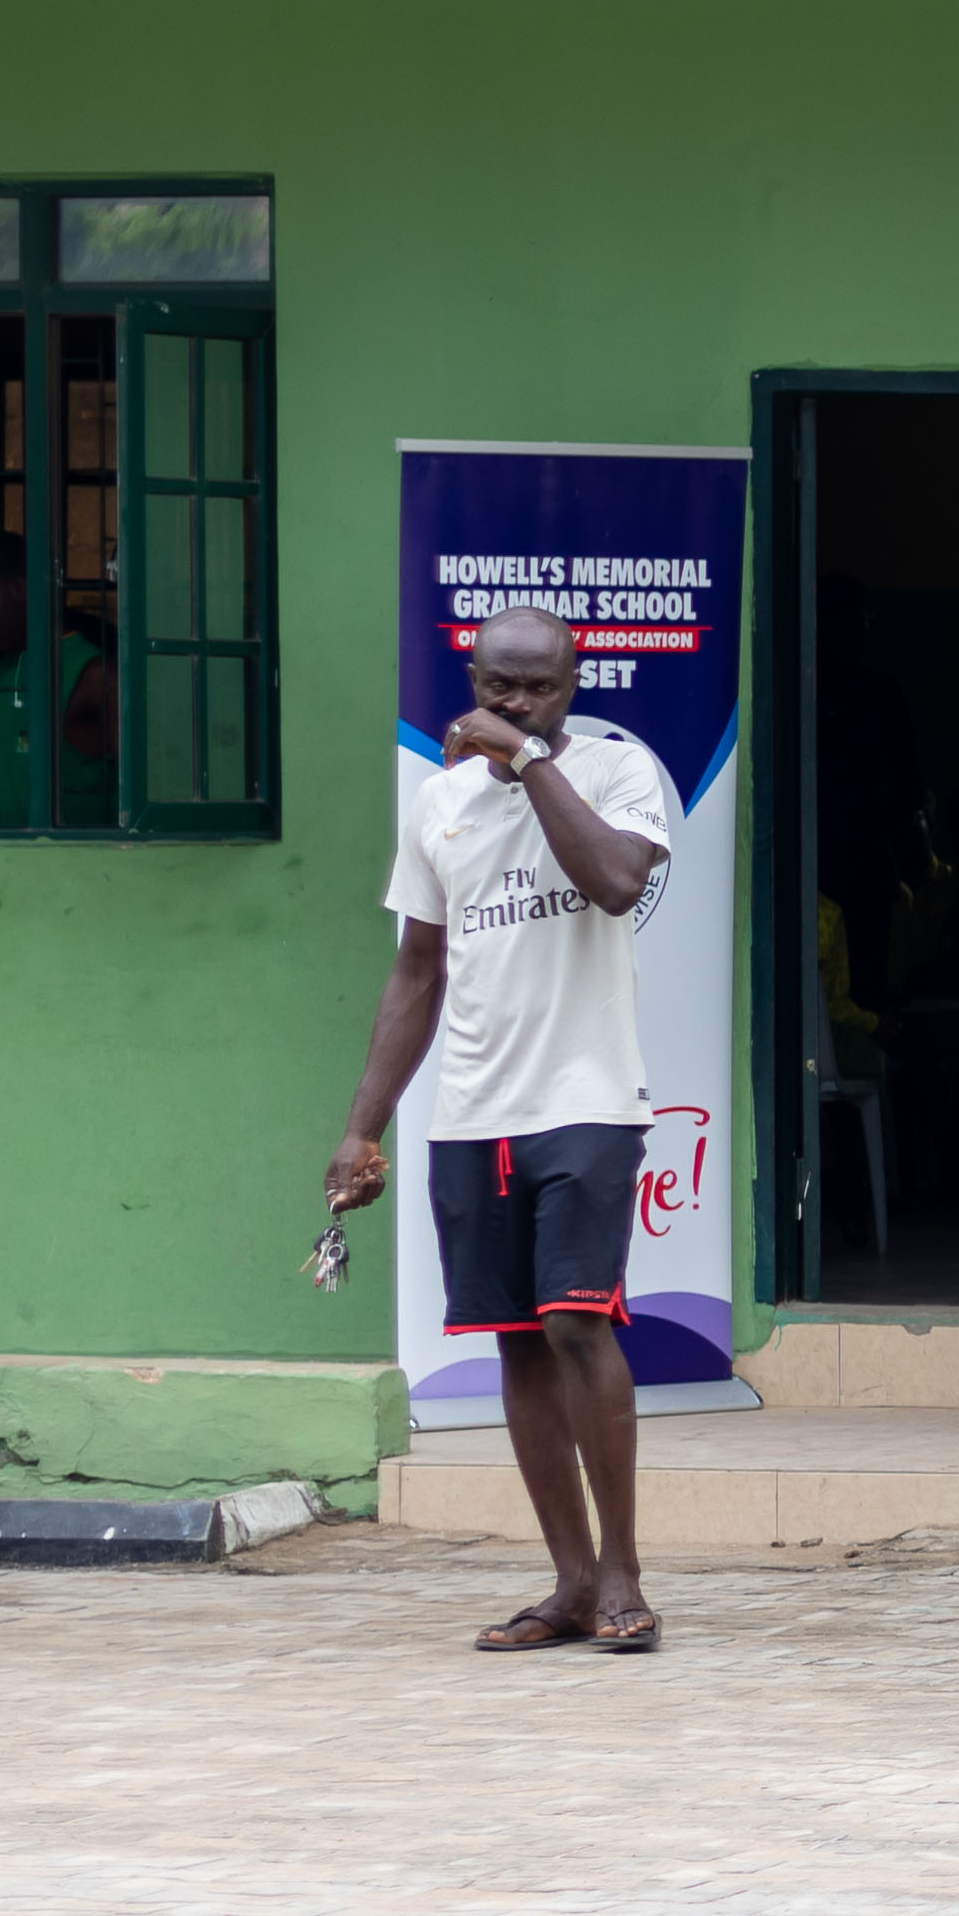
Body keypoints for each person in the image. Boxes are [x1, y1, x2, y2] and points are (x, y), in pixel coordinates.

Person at [327, 600, 684, 1650]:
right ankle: (570, 1582)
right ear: (471, 673)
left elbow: (617, 882)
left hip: (588, 1100)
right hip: (474, 1109)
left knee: (579, 1321)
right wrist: (363, 1126)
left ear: (574, 684)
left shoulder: (615, 774)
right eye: (496, 685)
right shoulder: (436, 803)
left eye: (536, 687)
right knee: (519, 1342)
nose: (512, 701)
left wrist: (529, 760)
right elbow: (417, 968)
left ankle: (623, 1577)